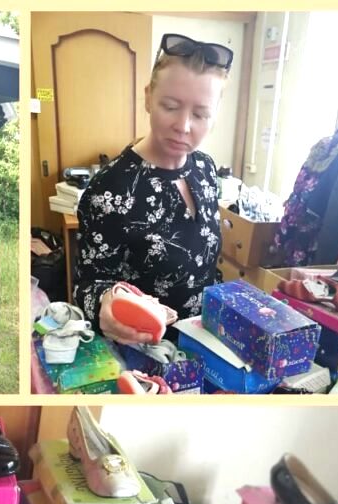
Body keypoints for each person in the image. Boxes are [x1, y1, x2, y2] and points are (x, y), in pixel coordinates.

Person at [73, 33, 232, 344]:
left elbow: (206, 269)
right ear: (148, 97)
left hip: (205, 340)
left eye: (200, 114)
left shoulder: (205, 168)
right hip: (144, 349)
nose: (183, 126)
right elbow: (87, 287)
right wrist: (105, 303)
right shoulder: (111, 189)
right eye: (170, 106)